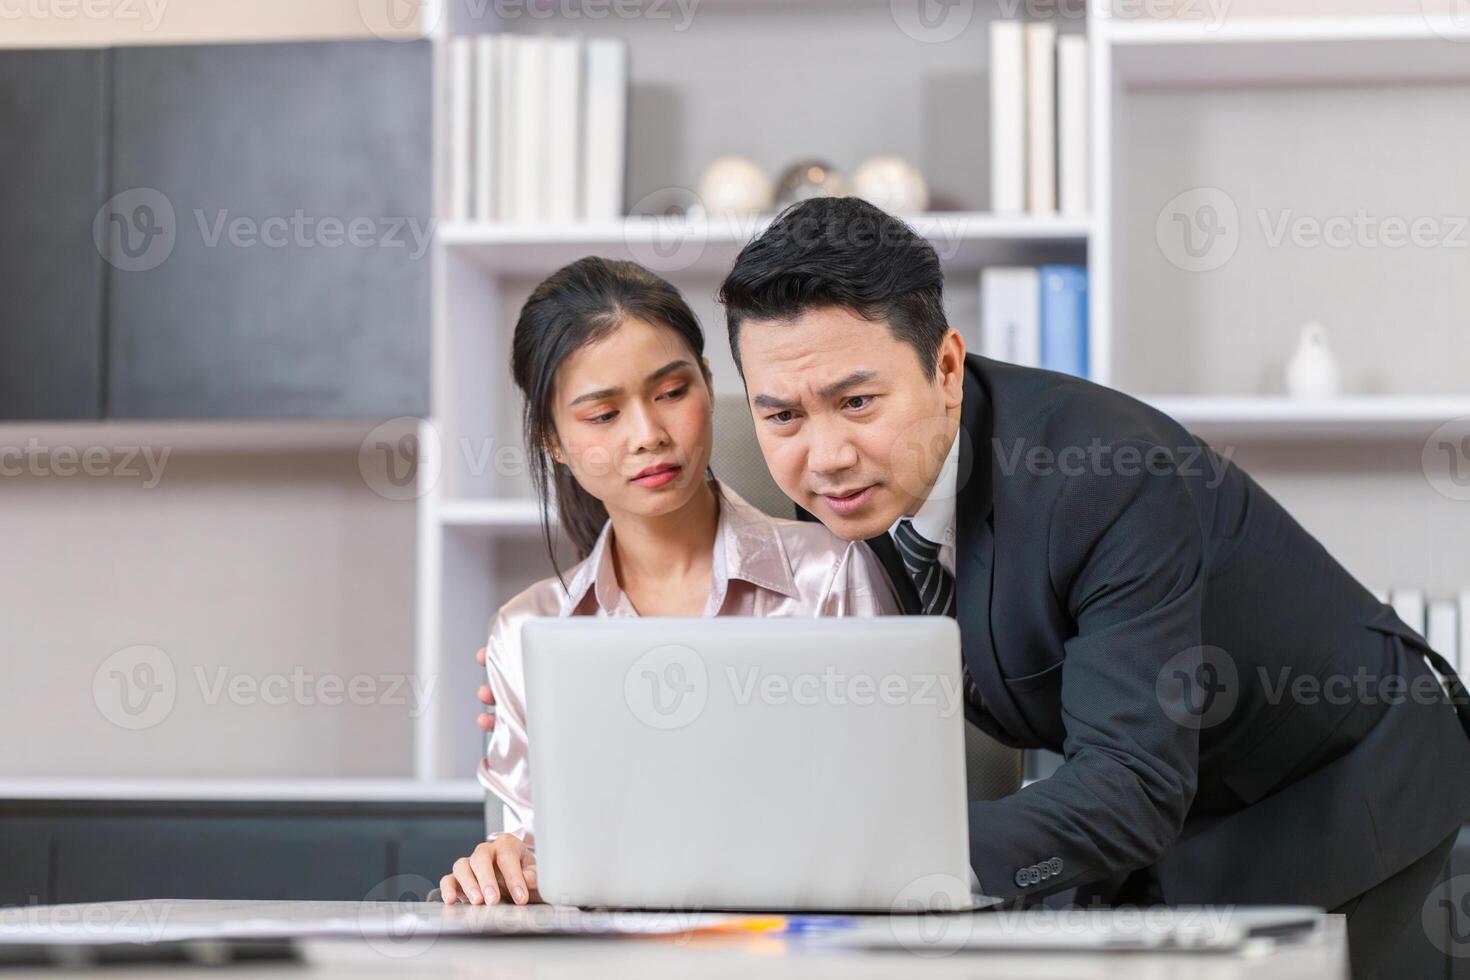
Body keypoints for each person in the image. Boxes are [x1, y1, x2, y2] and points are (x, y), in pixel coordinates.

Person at [705, 195, 1470, 979]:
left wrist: (890, 861)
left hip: (1345, 780)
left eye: (856, 402)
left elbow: (1134, 783)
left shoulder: (1104, 477)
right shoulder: (844, 479)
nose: (825, 454)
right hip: (1167, 784)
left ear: (945, 368)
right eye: (784, 416)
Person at [440, 256, 899, 907]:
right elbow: (541, 853)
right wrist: (510, 863)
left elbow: (885, 817)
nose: (649, 435)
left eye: (671, 392)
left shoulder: (830, 574)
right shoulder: (527, 630)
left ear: (710, 384)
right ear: (553, 439)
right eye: (603, 415)